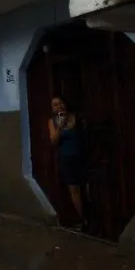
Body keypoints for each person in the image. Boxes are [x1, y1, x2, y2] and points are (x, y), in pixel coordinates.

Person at [48, 95, 86, 230]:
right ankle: (80, 220)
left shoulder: (75, 117)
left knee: (85, 188)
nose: (59, 107)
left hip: (81, 157)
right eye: (55, 105)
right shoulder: (52, 121)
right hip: (67, 160)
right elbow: (53, 141)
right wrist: (60, 126)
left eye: (60, 103)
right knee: (74, 190)